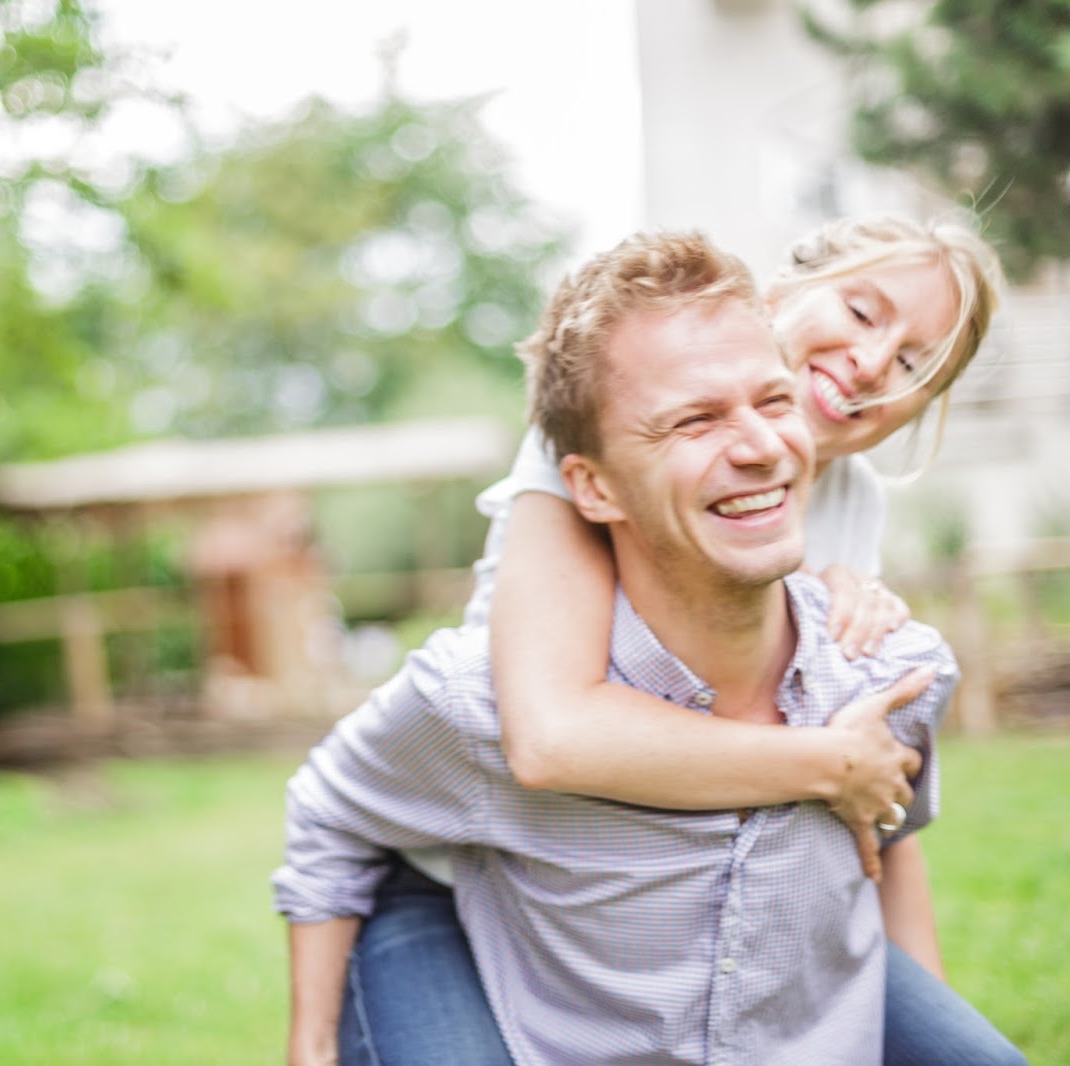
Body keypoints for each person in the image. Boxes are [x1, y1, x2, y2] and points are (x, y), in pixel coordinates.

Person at [345, 215, 1024, 1066]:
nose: (874, 361)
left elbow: (878, 795)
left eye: (918, 363)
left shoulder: (850, 504)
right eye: (860, 310)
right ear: (778, 295)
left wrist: (924, 1005)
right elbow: (553, 736)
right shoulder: (605, 440)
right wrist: (829, 762)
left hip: (665, 905)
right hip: (469, 871)